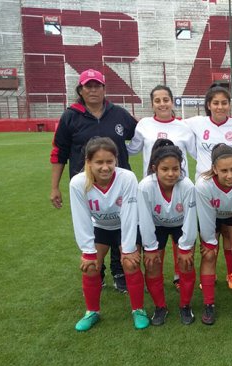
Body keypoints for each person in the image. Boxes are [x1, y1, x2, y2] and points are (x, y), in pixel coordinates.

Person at [50, 68, 137, 293]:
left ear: (104, 89)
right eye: (88, 86)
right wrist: (54, 187)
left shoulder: (118, 113)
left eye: (97, 85)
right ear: (80, 90)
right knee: (91, 225)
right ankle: (96, 270)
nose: (93, 90)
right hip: (86, 187)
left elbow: (140, 135)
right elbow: (59, 151)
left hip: (118, 184)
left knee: (121, 223)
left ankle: (120, 272)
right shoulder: (70, 116)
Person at [69, 137, 148, 331]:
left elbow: (130, 214)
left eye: (109, 162)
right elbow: (82, 219)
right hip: (101, 228)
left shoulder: (127, 178)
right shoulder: (78, 183)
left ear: (116, 161)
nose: (105, 167)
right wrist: (88, 252)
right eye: (99, 162)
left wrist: (128, 249)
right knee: (91, 267)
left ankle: (138, 309)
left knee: (130, 263)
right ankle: (92, 312)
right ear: (88, 162)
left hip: (125, 226)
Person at [184, 86, 232, 290]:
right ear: (208, 105)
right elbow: (173, 127)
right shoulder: (195, 123)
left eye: (224, 102)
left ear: (230, 104)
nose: (220, 106)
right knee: (209, 236)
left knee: (230, 236)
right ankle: (208, 273)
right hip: (206, 191)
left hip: (231, 187)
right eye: (215, 103)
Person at [128, 85, 194, 291]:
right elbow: (131, 149)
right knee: (154, 231)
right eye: (157, 100)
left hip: (178, 186)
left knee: (178, 230)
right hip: (152, 189)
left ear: (172, 102)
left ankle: (177, 275)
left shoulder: (183, 128)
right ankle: (154, 273)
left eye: (166, 99)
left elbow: (197, 153)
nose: (162, 103)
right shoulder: (144, 125)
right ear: (152, 104)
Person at [137, 139, 197, 325]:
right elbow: (144, 219)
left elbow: (190, 218)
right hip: (156, 226)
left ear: (181, 168)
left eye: (175, 169)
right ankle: (160, 307)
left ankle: (185, 306)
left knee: (186, 263)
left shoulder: (187, 186)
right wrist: (150, 247)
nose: (171, 174)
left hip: (181, 225)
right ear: (155, 168)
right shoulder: (145, 186)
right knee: (152, 264)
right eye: (165, 169)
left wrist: (186, 247)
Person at [195, 144, 232, 325]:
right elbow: (206, 219)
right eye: (223, 171)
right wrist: (210, 243)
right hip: (211, 216)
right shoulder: (203, 185)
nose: (230, 175)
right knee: (209, 255)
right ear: (214, 169)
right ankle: (208, 304)